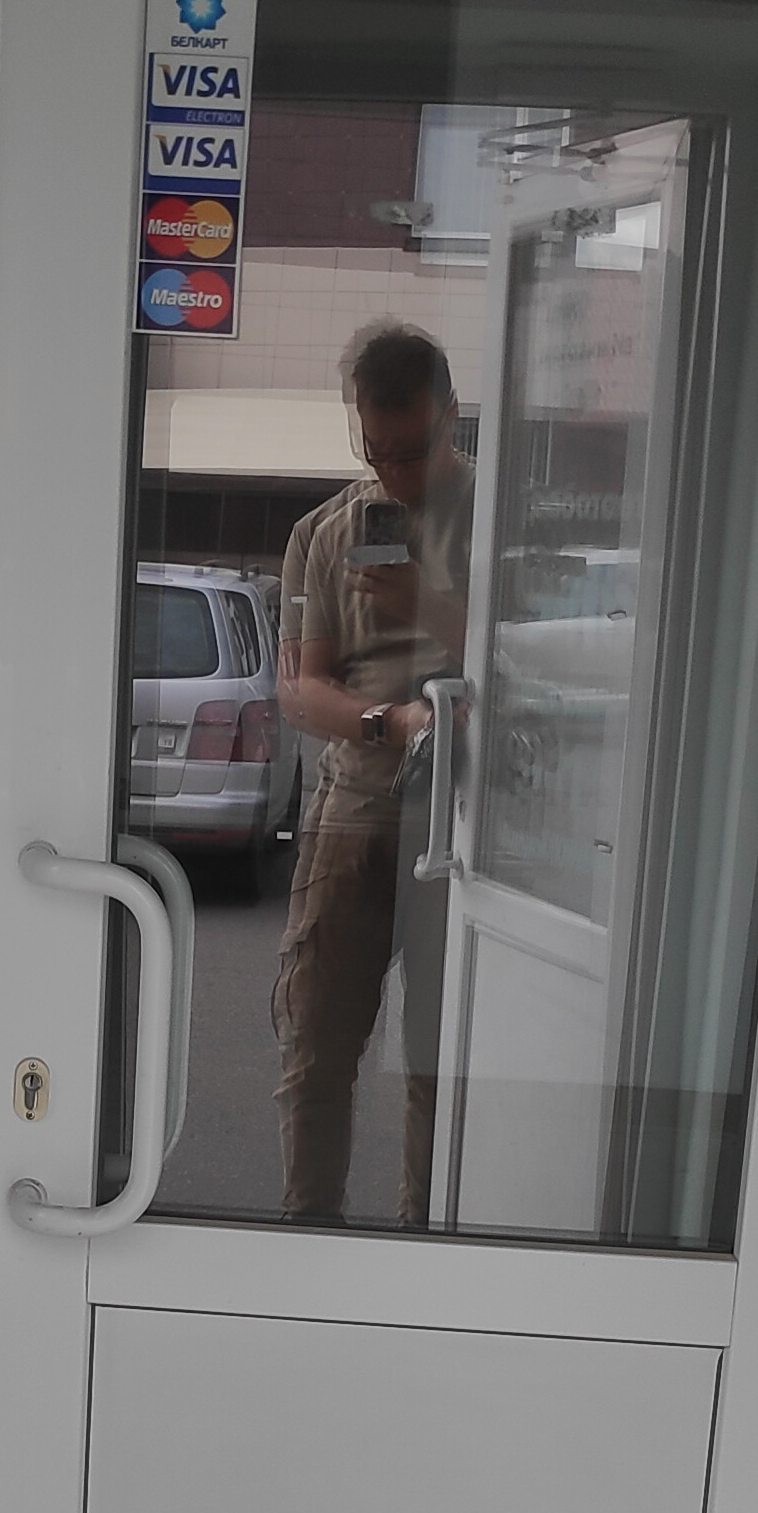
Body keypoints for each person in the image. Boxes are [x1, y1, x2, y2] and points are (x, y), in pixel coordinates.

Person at [271, 320, 472, 1221]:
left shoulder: (503, 520)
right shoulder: (324, 532)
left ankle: (425, 1244)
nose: (392, 474)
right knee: (315, 1052)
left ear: (452, 417)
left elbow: (535, 673)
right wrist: (391, 722)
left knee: (441, 1063)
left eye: (412, 451)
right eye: (374, 450)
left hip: (467, 830)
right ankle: (307, 1236)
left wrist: (429, 604)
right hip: (354, 811)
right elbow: (301, 693)